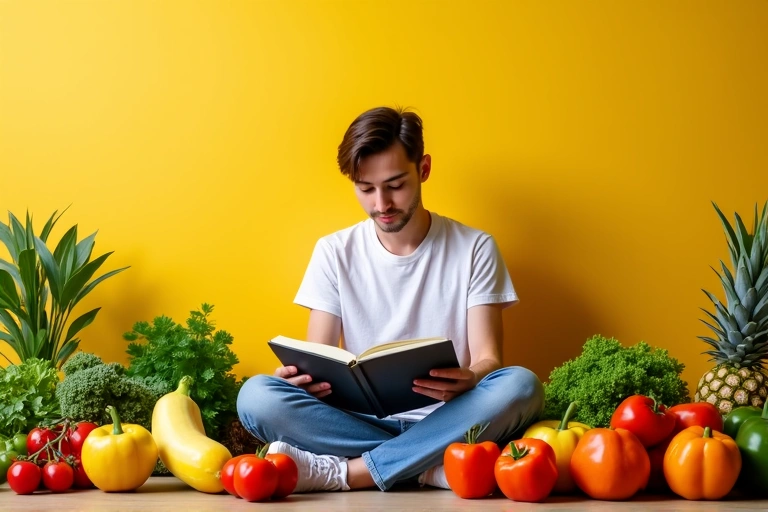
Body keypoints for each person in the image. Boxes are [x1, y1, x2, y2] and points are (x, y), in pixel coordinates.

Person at [237, 106, 544, 493]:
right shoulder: (334, 251)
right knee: (256, 397)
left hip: (451, 416)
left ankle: (347, 474)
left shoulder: (475, 248)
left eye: (395, 185)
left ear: (424, 169)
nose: (381, 204)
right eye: (366, 189)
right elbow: (321, 354)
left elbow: (489, 359)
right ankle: (427, 467)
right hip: (355, 422)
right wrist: (301, 380)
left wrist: (473, 376)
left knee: (520, 385)